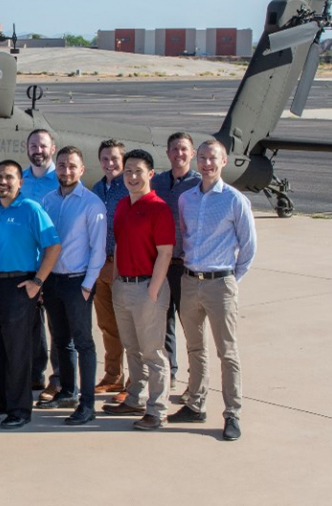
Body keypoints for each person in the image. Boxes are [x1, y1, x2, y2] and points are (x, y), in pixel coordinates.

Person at [168, 139, 257, 442]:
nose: (206, 164)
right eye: (202, 158)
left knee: (227, 352)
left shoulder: (234, 200)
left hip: (220, 283)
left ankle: (232, 413)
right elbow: (186, 237)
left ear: (224, 162)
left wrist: (230, 280)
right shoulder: (187, 199)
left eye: (212, 158)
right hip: (191, 281)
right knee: (195, 348)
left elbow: (248, 247)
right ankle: (195, 403)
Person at [0, 161, 61, 430]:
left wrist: (38, 281)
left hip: (19, 286)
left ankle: (20, 408)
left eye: (9, 177)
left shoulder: (31, 209)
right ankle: (1, 400)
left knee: (18, 350)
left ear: (20, 182)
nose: (3, 181)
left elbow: (53, 246)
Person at [102, 149, 174, 431]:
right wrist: (118, 280)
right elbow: (119, 244)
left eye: (138, 171)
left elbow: (165, 253)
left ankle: (157, 410)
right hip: (124, 287)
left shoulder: (158, 208)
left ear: (150, 174)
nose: (132, 176)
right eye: (128, 171)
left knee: (153, 353)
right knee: (132, 348)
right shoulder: (122, 205)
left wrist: (153, 292)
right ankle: (135, 398)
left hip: (147, 288)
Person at [39, 146, 107, 426]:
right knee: (61, 340)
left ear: (82, 170)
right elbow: (42, 243)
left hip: (77, 282)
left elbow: (98, 249)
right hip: (53, 281)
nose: (66, 171)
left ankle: (87, 404)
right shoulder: (47, 201)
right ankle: (67, 391)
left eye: (72, 166)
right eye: (62, 165)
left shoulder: (92, 204)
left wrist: (88, 285)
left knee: (83, 343)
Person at [151, 132, 200, 386]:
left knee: (190, 325)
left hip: (185, 266)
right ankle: (169, 373)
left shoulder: (199, 184)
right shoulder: (157, 182)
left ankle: (196, 378)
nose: (179, 154)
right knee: (163, 321)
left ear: (191, 154)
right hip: (161, 264)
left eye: (184, 149)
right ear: (167, 153)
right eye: (174, 149)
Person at [22, 129, 61, 403]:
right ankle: (35, 372)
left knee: (57, 325)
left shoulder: (60, 179)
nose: (38, 150)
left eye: (43, 145)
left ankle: (57, 379)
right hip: (28, 263)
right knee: (32, 323)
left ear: (52, 148)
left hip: (54, 263)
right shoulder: (20, 180)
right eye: (33, 145)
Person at [92, 139, 130, 400]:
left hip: (124, 264)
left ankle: (134, 382)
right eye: (105, 159)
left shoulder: (130, 187)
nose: (109, 163)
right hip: (100, 264)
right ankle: (113, 376)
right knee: (107, 325)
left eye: (114, 158)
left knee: (130, 326)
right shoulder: (97, 188)